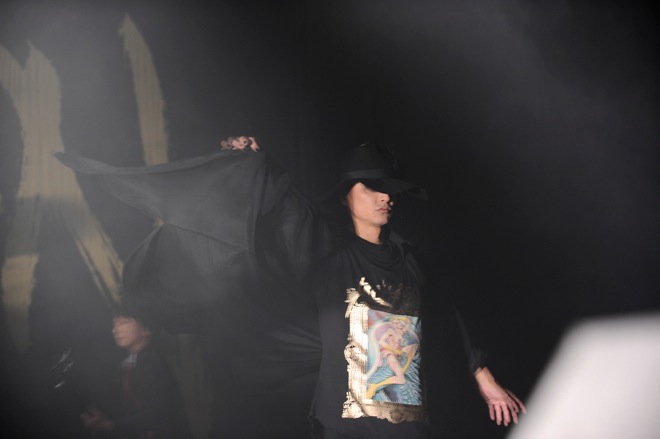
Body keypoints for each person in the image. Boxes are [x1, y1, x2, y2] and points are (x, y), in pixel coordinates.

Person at [308, 144, 525, 438]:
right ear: (344, 196)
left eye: (390, 190)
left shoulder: (411, 260)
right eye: (371, 188)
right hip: (346, 429)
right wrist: (250, 160)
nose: (385, 197)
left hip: (408, 426)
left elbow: (448, 318)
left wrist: (483, 377)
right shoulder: (328, 258)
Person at [80, 301, 191, 439]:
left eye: (124, 322)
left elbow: (158, 414)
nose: (115, 330)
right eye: (114, 324)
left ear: (146, 328)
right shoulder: (132, 363)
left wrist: (109, 425)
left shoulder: (149, 361)